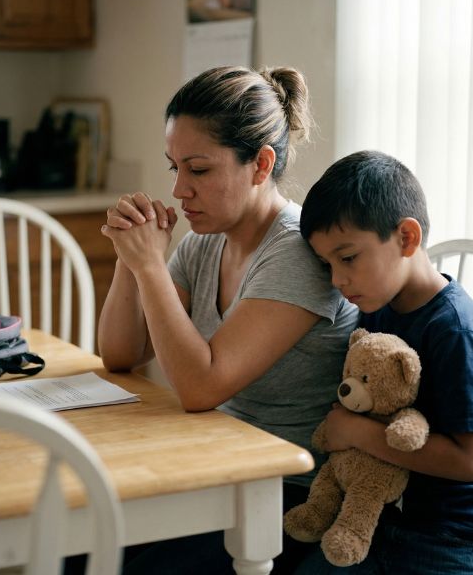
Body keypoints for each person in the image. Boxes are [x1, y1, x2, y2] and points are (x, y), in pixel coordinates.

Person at [82, 65, 359, 575]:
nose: (181, 190)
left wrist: (150, 265)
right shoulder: (206, 240)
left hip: (290, 492)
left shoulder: (296, 251)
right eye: (175, 169)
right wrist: (129, 256)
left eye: (200, 170)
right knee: (78, 541)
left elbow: (199, 387)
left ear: (260, 164)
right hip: (218, 462)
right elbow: (121, 354)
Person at [296, 149, 473, 574]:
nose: (337, 280)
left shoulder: (452, 330)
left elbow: (469, 460)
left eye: (348, 257)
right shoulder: (376, 308)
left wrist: (357, 433)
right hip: (377, 517)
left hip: (445, 536)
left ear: (406, 239)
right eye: (327, 264)